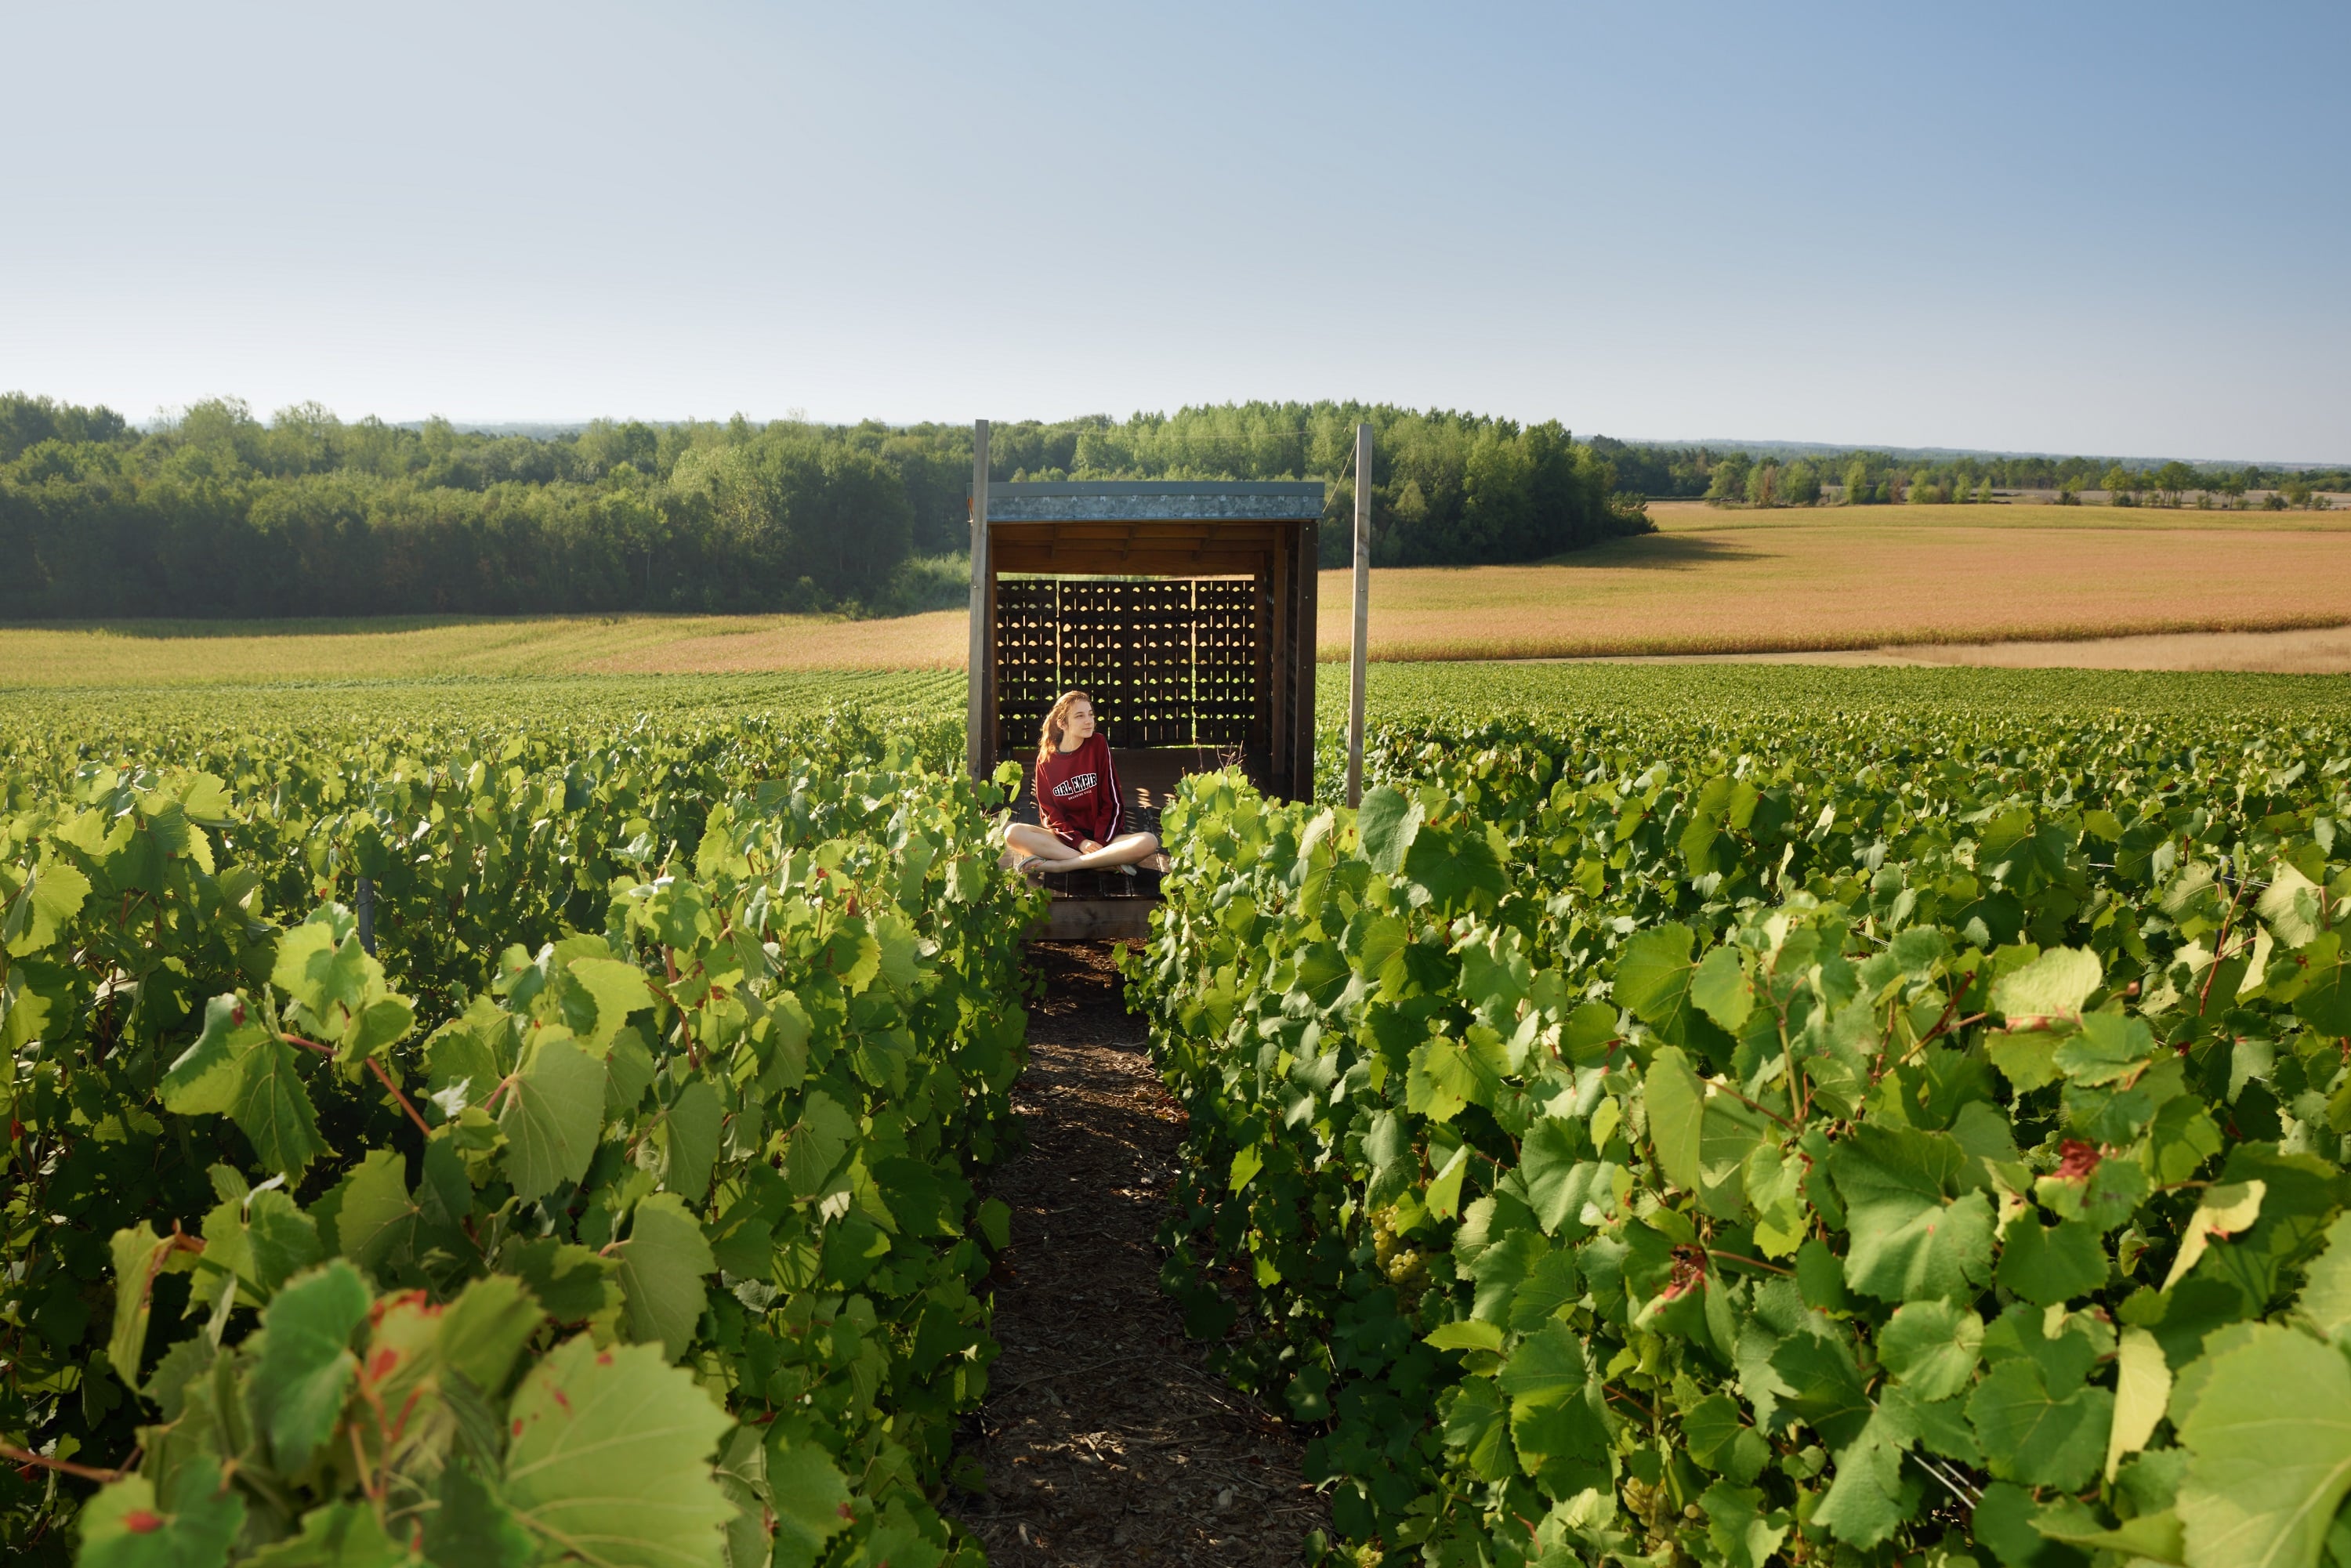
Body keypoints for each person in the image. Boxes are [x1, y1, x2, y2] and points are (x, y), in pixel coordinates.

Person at [1003, 690, 1169, 877]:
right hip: (1067, 840)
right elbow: (1050, 814)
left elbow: (1113, 801)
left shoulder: (1097, 744)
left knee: (1148, 841)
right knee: (1013, 832)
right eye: (1080, 716)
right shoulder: (1046, 760)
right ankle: (1103, 864)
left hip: (1105, 839)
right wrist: (1081, 842)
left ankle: (1061, 866)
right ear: (1062, 723)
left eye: (1090, 714)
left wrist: (1099, 842)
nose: (1089, 721)